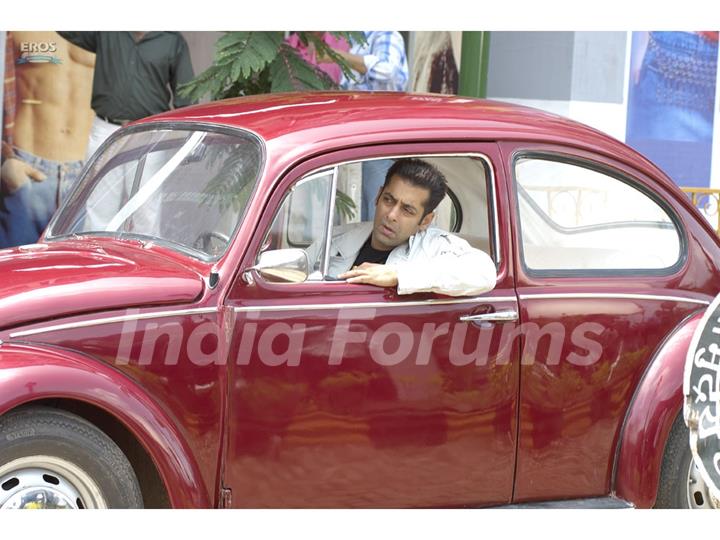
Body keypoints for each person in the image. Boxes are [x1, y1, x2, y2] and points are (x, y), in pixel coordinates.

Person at [312, 158, 496, 297]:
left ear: (425, 221)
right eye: (388, 200)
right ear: (378, 196)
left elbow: (485, 272)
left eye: (407, 210)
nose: (391, 215)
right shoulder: (337, 237)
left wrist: (398, 275)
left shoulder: (433, 246)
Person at [1, 31, 95, 247]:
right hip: (27, 172)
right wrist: (6, 161)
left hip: (90, 177)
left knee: (83, 276)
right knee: (15, 275)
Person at [57, 32, 194, 159]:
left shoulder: (173, 41)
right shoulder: (107, 32)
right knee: (100, 186)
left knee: (145, 185)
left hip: (149, 133)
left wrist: (190, 142)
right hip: (105, 130)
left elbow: (186, 96)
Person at [323, 31, 410, 221]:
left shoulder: (385, 34)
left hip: (380, 138)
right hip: (354, 137)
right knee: (351, 211)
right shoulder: (352, 40)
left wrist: (339, 57)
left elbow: (388, 71)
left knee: (377, 209)